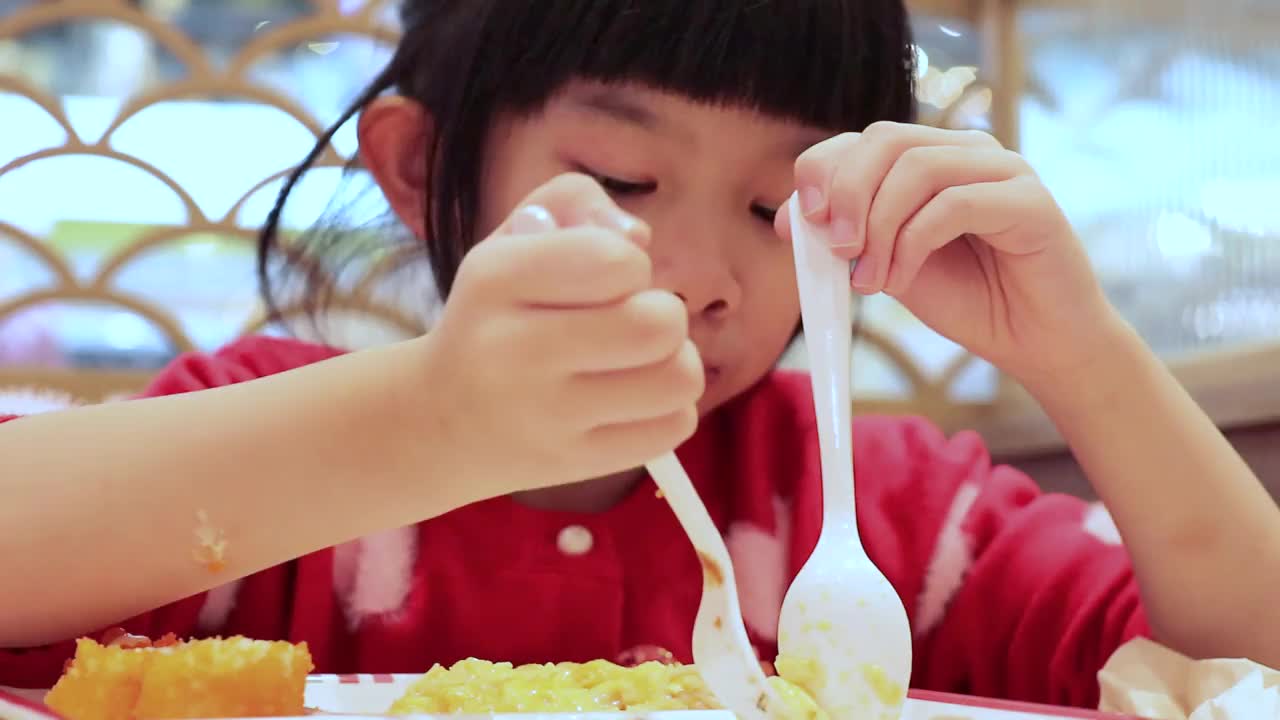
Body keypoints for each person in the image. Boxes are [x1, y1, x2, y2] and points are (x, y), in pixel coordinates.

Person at [1, 0, 1277, 710]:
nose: (698, 277)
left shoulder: (883, 523)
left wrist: (1084, 356)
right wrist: (426, 425)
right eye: (621, 177)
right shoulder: (263, 458)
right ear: (419, 167)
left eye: (779, 211)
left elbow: (1245, 668)